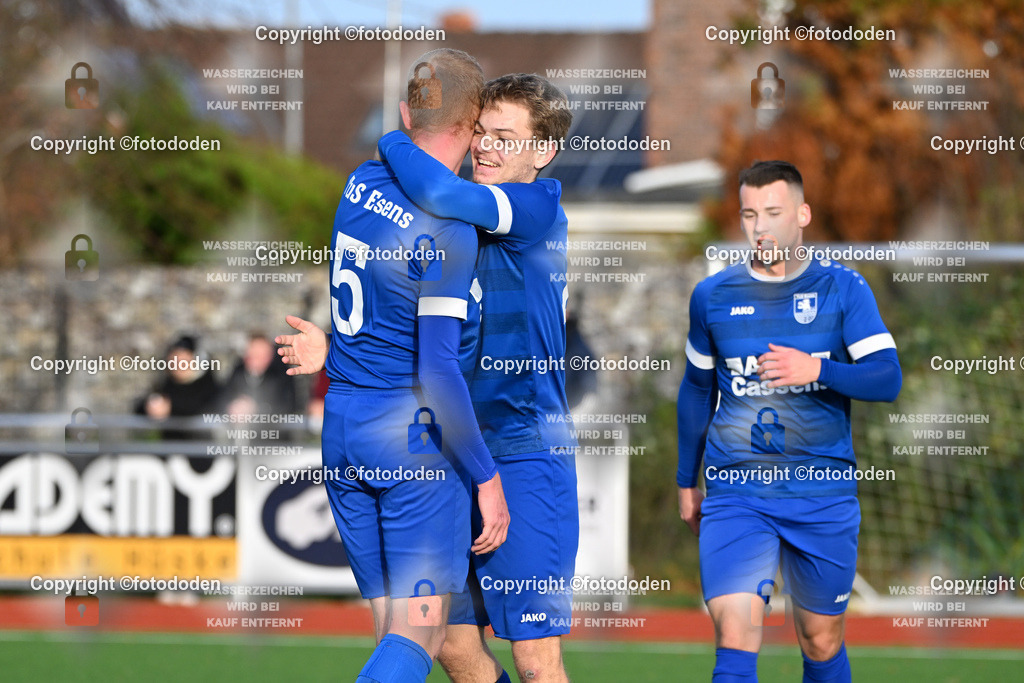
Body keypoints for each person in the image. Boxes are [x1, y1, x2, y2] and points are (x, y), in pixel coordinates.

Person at [280, 73, 577, 683]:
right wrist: (337, 347)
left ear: (543, 151)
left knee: (535, 660)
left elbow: (440, 193)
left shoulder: (534, 206)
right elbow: (416, 336)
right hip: (450, 448)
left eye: (503, 136)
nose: (487, 148)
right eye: (481, 132)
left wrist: (395, 138)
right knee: (448, 644)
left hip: (520, 451)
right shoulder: (447, 210)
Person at [676, 160, 902, 683]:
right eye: (750, 214)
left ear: (802, 215)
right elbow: (694, 390)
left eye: (773, 212)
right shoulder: (712, 296)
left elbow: (886, 379)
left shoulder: (842, 289)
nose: (761, 227)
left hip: (822, 493)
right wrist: (687, 480)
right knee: (734, 637)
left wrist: (818, 369)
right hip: (736, 492)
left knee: (820, 640)